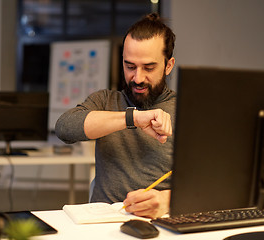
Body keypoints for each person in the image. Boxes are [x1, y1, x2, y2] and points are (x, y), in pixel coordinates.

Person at [55, 13, 176, 219]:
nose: (137, 78)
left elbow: (210, 182)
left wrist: (167, 201)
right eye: (130, 66)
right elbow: (64, 128)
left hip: (160, 224)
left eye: (148, 67)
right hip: (102, 224)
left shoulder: (185, 111)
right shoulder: (105, 101)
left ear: (168, 65)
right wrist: (133, 118)